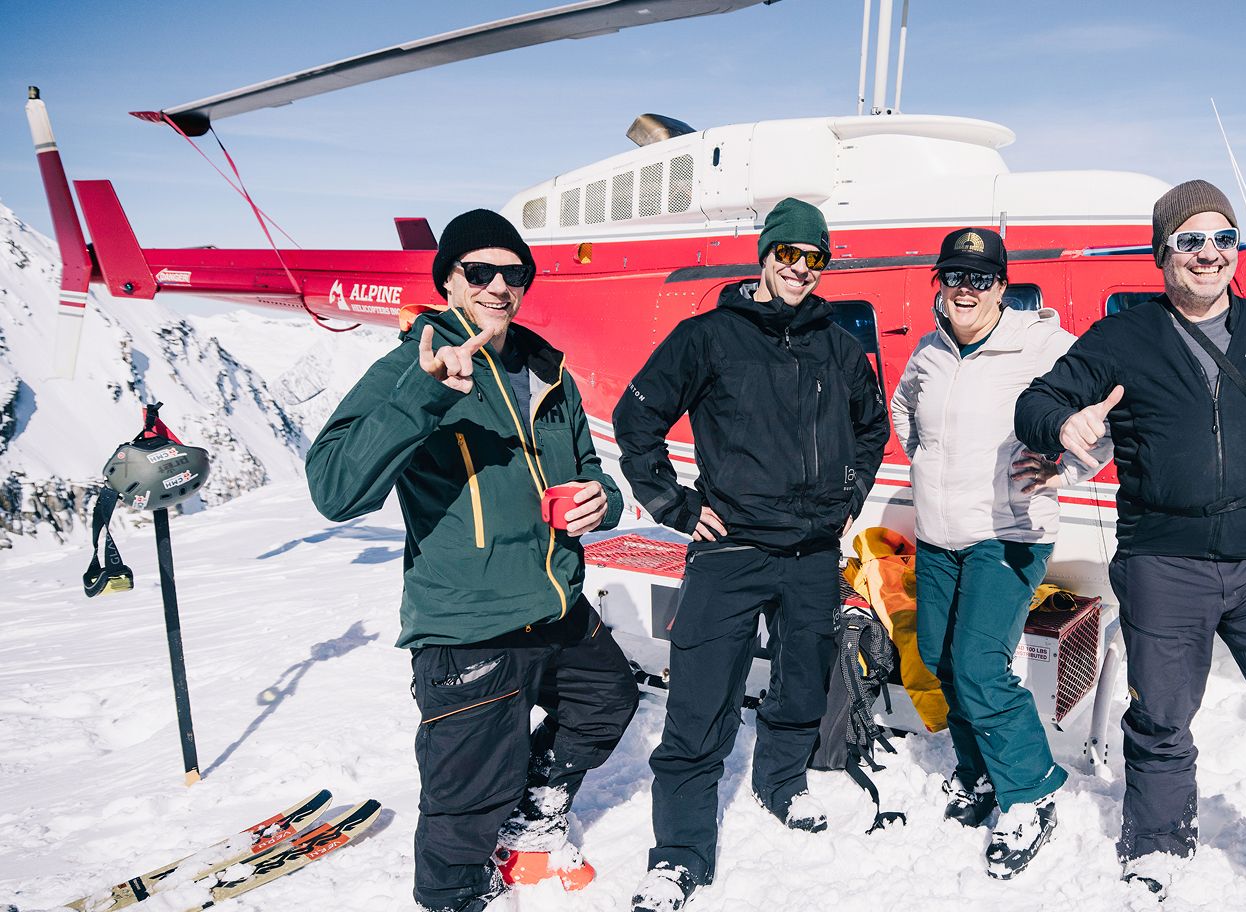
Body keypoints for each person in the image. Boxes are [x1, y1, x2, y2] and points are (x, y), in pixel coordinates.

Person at [1014, 181, 1246, 910]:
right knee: (1160, 720)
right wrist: (1061, 424)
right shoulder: (1124, 338)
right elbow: (1037, 401)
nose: (1208, 253)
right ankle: (1157, 845)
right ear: (1163, 254)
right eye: (1190, 240)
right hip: (1162, 564)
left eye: (1222, 238)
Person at [306, 209, 640, 912]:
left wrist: (600, 500)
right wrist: (425, 395)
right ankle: (454, 894)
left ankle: (530, 818)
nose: (497, 286)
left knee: (606, 702)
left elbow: (588, 469)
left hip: (555, 604)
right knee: (464, 805)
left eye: (512, 273)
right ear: (449, 281)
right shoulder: (414, 365)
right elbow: (334, 489)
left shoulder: (547, 369)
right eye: (479, 271)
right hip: (469, 625)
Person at [615, 198, 888, 912]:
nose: (800, 268)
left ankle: (781, 781)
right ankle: (679, 854)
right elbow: (636, 417)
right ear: (764, 256)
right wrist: (674, 504)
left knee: (803, 684)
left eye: (814, 257)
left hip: (812, 553)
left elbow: (873, 426)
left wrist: (853, 491)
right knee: (700, 701)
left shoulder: (838, 346)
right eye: (787, 254)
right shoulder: (707, 336)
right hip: (730, 549)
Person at [889, 227, 1111, 879]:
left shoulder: (1042, 346)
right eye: (954, 276)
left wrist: (1063, 469)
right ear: (940, 284)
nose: (966, 289)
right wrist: (930, 467)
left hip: (1009, 533)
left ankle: (1030, 791)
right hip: (940, 534)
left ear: (1002, 287)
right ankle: (980, 770)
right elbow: (905, 414)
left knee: (979, 664)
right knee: (938, 659)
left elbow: (1102, 423)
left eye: (980, 278)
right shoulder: (929, 351)